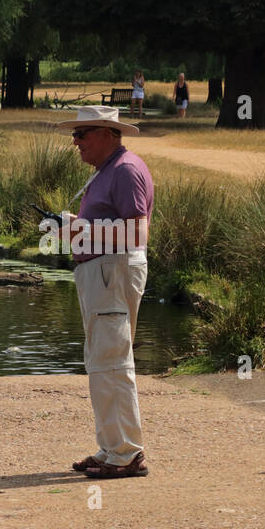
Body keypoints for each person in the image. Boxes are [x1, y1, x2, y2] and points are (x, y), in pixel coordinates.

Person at [55, 106, 153, 479]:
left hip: (112, 272)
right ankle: (114, 448)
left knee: (111, 360)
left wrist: (78, 228)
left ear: (108, 134)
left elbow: (136, 234)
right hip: (102, 272)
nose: (75, 142)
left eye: (82, 134)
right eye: (75, 135)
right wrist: (73, 229)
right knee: (103, 360)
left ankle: (126, 453)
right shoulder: (107, 171)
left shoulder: (126, 170)